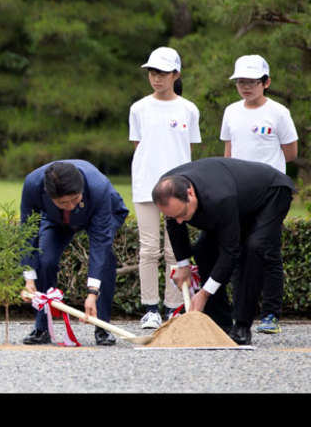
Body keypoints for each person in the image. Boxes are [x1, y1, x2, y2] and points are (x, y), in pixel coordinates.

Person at [152, 157, 295, 345]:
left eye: (183, 214)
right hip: (238, 200)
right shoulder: (167, 190)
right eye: (173, 216)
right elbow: (174, 226)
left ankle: (242, 326)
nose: (180, 221)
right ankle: (221, 324)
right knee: (203, 250)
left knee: (254, 248)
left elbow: (230, 252)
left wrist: (204, 294)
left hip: (272, 193)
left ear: (190, 193)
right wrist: (183, 266)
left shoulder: (219, 198)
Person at [220, 54, 298, 334]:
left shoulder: (278, 113)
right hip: (239, 191)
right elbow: (228, 152)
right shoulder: (231, 111)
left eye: (252, 81)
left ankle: (271, 314)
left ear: (266, 82)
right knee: (239, 251)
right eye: (241, 81)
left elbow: (291, 151)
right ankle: (242, 313)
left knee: (267, 251)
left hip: (270, 193)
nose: (246, 87)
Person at [129, 46, 201, 329]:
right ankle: (150, 309)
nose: (157, 79)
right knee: (148, 249)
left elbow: (187, 150)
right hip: (146, 185)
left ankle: (173, 307)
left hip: (178, 190)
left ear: (176, 75)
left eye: (162, 73)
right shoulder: (139, 108)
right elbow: (139, 148)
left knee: (175, 250)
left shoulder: (188, 109)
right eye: (152, 73)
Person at [20, 160, 129, 346]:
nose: (70, 205)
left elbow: (99, 244)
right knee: (45, 259)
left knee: (105, 259)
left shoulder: (98, 187)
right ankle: (42, 326)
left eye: (74, 199)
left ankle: (102, 326)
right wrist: (29, 278)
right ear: (48, 194)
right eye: (63, 202)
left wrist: (92, 293)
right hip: (55, 219)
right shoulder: (33, 184)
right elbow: (28, 233)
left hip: (100, 213)